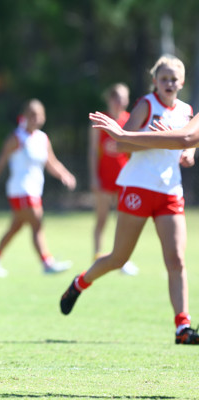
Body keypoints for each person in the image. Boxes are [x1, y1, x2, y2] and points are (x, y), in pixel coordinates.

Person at [62, 54, 199, 345]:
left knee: (176, 260)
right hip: (138, 187)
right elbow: (121, 144)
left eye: (174, 79)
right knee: (118, 257)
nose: (169, 83)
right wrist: (153, 134)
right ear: (155, 82)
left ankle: (182, 327)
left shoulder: (187, 111)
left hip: (170, 191)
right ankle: (80, 282)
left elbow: (186, 147)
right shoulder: (147, 105)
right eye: (164, 79)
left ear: (182, 82)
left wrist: (187, 155)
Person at [0, 99, 76, 277]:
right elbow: (0, 162)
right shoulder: (16, 138)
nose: (36, 118)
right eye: (32, 115)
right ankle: (47, 262)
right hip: (20, 189)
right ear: (24, 116)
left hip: (35, 189)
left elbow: (52, 162)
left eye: (39, 115)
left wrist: (65, 174)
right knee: (37, 222)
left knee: (16, 227)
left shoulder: (42, 138)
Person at [88, 83, 138, 276]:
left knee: (124, 221)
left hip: (125, 178)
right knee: (101, 220)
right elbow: (93, 151)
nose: (119, 101)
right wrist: (94, 177)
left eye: (123, 97)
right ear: (109, 98)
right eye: (116, 97)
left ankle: (122, 260)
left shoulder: (130, 120)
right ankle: (96, 257)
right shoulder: (100, 120)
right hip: (103, 179)